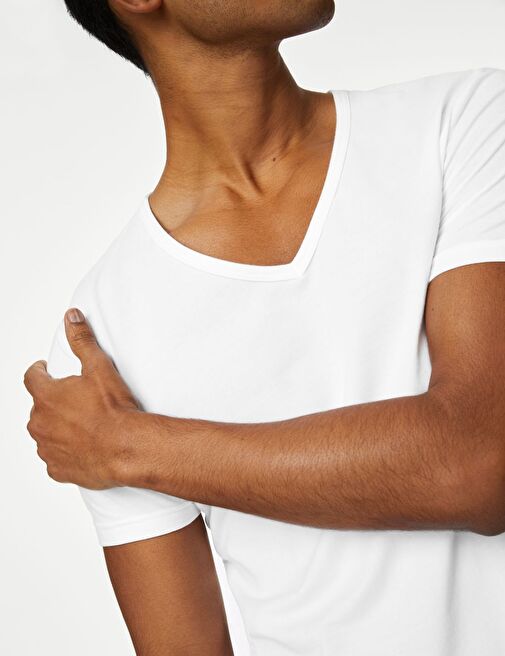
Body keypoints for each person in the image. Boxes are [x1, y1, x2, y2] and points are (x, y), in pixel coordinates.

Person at [23, 1, 505, 654]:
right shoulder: (102, 333)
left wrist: (134, 446)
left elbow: (481, 463)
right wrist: (123, 443)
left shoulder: (464, 123)